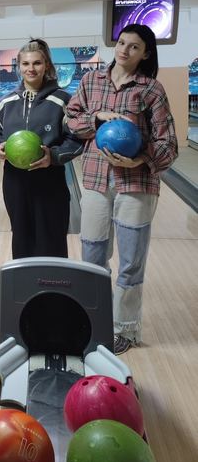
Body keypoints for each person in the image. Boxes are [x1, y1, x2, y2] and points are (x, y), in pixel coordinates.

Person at [67, 24, 178, 355]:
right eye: (122, 43)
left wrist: (140, 158)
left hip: (137, 184)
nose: (124, 50)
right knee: (92, 257)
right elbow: (71, 120)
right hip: (96, 181)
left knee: (130, 262)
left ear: (145, 54)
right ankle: (92, 321)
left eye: (134, 47)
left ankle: (124, 329)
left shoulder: (151, 89)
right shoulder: (91, 81)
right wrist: (97, 119)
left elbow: (168, 143)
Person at [0, 37, 83, 259]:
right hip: (15, 182)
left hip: (50, 181)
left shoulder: (63, 101)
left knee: (52, 241)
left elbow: (76, 140)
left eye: (37, 63)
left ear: (46, 65)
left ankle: (52, 282)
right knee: (21, 239)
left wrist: (54, 156)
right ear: (19, 66)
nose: (31, 68)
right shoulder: (6, 103)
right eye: (26, 63)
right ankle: (25, 282)